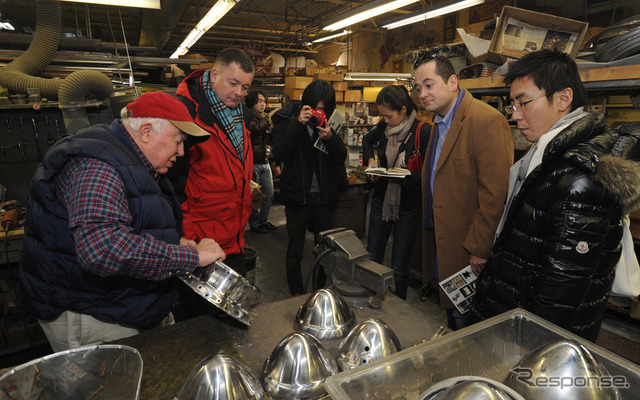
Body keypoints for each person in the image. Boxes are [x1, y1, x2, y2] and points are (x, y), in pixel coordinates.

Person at [17, 92, 227, 352]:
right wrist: (190, 257)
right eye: (178, 140)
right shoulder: (97, 165)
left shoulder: (133, 160)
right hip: (94, 315)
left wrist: (173, 240)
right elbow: (102, 249)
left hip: (120, 304)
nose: (181, 152)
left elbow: (131, 220)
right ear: (147, 131)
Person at [472, 49, 640, 341]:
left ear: (563, 99)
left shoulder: (579, 178)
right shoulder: (547, 157)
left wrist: (534, 342)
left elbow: (564, 284)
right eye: (512, 104)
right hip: (517, 313)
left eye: (523, 102)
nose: (515, 115)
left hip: (537, 336)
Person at [414, 54, 514, 330]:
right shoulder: (440, 121)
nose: (422, 94)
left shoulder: (486, 120)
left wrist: (480, 249)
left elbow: (494, 193)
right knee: (454, 316)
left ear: (453, 82)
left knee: (468, 323)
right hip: (443, 242)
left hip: (468, 250)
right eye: (418, 88)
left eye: (429, 85)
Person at [171, 48, 255, 275]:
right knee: (202, 310)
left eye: (245, 87)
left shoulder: (240, 117)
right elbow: (174, 186)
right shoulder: (187, 115)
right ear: (215, 75)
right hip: (201, 242)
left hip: (234, 237)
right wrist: (187, 238)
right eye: (233, 83)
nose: (238, 93)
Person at [272, 80, 348, 296]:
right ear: (306, 103)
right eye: (316, 107)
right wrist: (298, 123)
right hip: (297, 196)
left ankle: (319, 293)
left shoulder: (330, 122)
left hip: (324, 198)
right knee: (295, 250)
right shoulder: (286, 118)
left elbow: (340, 157)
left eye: (323, 109)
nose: (319, 113)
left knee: (323, 250)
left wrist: (331, 139)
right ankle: (296, 293)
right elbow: (279, 152)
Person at [362, 85, 430, 300]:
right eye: (382, 116)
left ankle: (399, 310)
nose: (385, 121)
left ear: (403, 110)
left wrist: (405, 177)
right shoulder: (383, 128)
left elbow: (431, 172)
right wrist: (371, 161)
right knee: (372, 259)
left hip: (408, 204)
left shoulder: (423, 131)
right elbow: (366, 141)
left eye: (388, 116)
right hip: (382, 200)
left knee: (400, 267)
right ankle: (370, 300)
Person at [244, 89, 277, 234]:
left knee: (269, 194)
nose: (263, 104)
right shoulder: (248, 116)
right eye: (259, 101)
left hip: (265, 162)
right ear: (252, 102)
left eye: (264, 101)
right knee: (254, 196)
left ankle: (264, 220)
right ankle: (255, 224)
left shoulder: (264, 118)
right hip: (252, 163)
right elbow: (255, 129)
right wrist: (269, 120)